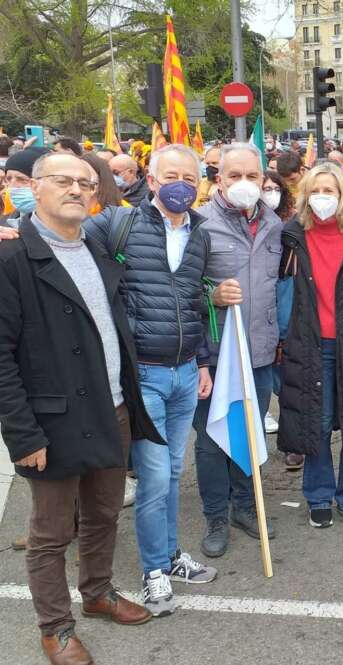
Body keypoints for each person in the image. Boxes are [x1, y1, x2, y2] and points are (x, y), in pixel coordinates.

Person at [0, 152, 161, 665]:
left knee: (103, 514)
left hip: (111, 407)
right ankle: (56, 627)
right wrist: (24, 436)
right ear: (34, 187)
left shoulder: (95, 244)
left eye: (85, 183)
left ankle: (97, 593)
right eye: (62, 180)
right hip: (52, 419)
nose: (75, 189)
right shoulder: (12, 259)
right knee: (50, 534)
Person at [82, 144, 224, 616]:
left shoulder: (200, 233)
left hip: (186, 373)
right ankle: (153, 572)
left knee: (170, 475)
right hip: (143, 375)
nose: (180, 182)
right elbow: (64, 241)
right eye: (171, 175)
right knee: (156, 476)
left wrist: (203, 363)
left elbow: (195, 303)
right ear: (153, 178)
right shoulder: (118, 224)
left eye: (190, 174)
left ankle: (168, 556)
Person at [278, 163, 343, 530]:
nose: (323, 197)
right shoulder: (290, 237)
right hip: (309, 344)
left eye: (331, 190)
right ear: (305, 195)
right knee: (317, 424)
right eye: (316, 190)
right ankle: (319, 496)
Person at [193, 143, 282, 558]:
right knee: (212, 443)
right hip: (215, 357)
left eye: (252, 176)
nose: (244, 184)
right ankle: (215, 513)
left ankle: (245, 506)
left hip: (260, 353)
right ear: (219, 179)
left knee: (248, 436)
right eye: (234, 176)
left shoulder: (275, 223)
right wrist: (210, 294)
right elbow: (177, 288)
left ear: (263, 179)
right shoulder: (198, 224)